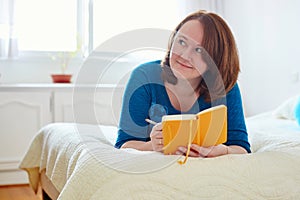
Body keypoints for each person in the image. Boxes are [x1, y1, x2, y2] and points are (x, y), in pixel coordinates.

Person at [115, 10, 251, 157]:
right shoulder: (144, 77)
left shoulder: (225, 86)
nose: (185, 56)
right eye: (182, 42)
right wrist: (152, 146)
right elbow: (124, 144)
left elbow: (241, 147)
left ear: (216, 60)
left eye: (199, 50)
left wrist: (223, 150)